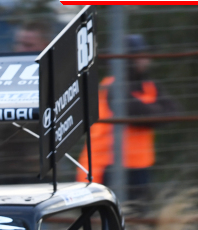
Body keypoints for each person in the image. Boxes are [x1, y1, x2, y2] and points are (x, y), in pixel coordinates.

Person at [77, 34, 180, 202]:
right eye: (139, 55)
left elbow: (173, 112)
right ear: (126, 59)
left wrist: (150, 113)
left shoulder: (149, 86)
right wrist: (155, 111)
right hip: (107, 166)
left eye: (145, 55)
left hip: (139, 164)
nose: (145, 60)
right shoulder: (112, 87)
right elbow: (138, 114)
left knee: (137, 214)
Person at [0, 19, 53, 185]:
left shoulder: (54, 77)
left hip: (36, 171)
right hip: (0, 170)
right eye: (18, 44)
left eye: (28, 45)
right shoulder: (4, 75)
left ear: (45, 46)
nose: (21, 49)